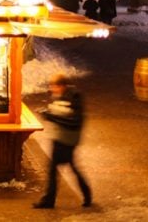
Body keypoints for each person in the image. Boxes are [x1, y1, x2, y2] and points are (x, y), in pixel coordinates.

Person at [33, 74, 92, 209]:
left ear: (62, 86)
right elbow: (60, 113)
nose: (52, 89)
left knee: (53, 170)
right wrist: (49, 113)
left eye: (54, 86)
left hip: (66, 139)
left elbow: (71, 120)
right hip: (63, 138)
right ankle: (87, 195)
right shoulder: (65, 96)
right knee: (69, 167)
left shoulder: (72, 98)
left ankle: (49, 201)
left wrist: (50, 116)